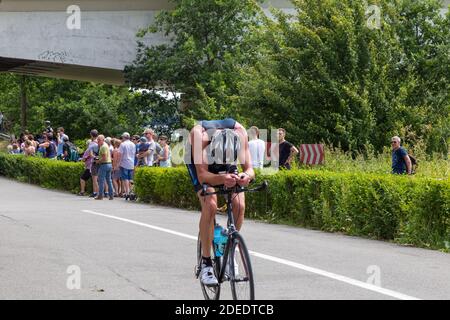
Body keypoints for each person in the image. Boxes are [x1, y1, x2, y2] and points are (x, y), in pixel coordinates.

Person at [186, 118, 254, 286]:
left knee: (239, 205)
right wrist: (222, 178)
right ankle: (206, 263)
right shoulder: (198, 137)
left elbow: (250, 169)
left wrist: (246, 177)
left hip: (225, 157)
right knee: (210, 204)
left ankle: (231, 252)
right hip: (202, 165)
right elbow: (203, 176)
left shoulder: (240, 133)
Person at [117, 132, 136, 198]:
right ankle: (132, 192)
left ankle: (127, 192)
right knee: (131, 178)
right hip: (131, 163)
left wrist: (118, 164)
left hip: (124, 163)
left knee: (125, 178)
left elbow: (120, 155)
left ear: (124, 137)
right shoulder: (133, 144)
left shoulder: (123, 144)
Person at [95, 135, 114, 200]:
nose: (98, 141)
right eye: (97, 140)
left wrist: (98, 161)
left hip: (104, 165)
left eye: (99, 140)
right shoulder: (106, 145)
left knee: (101, 180)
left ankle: (100, 195)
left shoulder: (103, 147)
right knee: (109, 180)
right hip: (109, 164)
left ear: (103, 140)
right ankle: (111, 195)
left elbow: (104, 158)